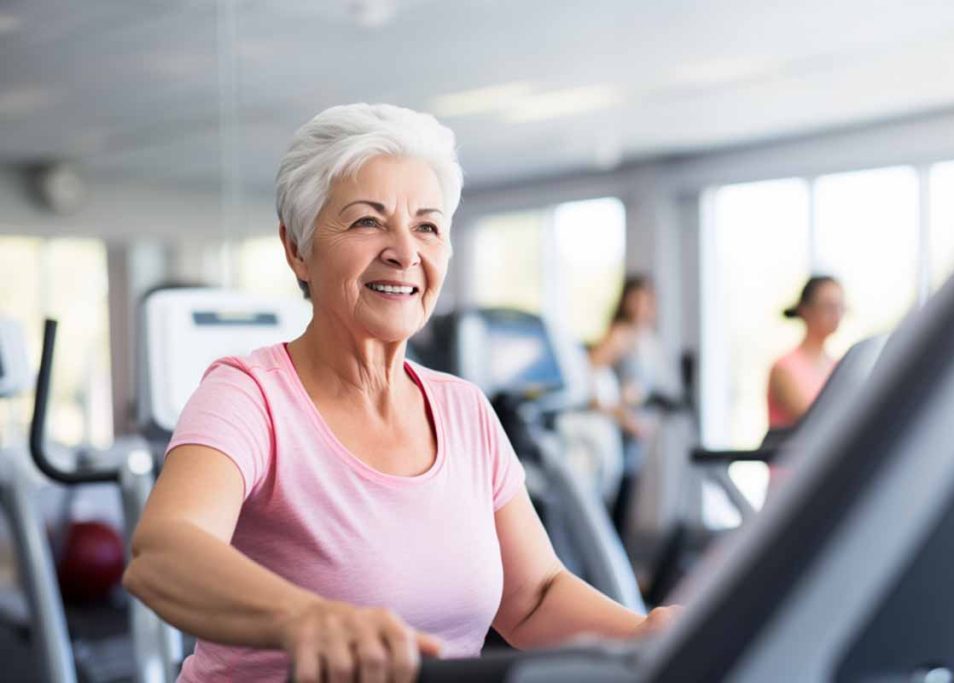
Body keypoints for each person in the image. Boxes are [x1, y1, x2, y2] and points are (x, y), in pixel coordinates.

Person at [123, 104, 675, 683]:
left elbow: (532, 597)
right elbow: (164, 553)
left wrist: (643, 636)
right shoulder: (248, 396)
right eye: (367, 221)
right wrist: (306, 618)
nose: (405, 251)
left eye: (427, 226)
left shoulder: (465, 410)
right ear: (297, 250)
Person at [588, 275, 677, 535]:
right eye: (635, 298)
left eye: (646, 300)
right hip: (615, 433)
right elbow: (586, 380)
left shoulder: (648, 341)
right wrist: (619, 409)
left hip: (636, 435)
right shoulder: (619, 336)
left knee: (626, 506)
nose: (640, 306)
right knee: (608, 510)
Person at [767, 275, 846, 431]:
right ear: (806, 310)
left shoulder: (838, 365)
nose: (836, 315)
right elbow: (812, 420)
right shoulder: (784, 368)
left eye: (840, 307)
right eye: (828, 307)